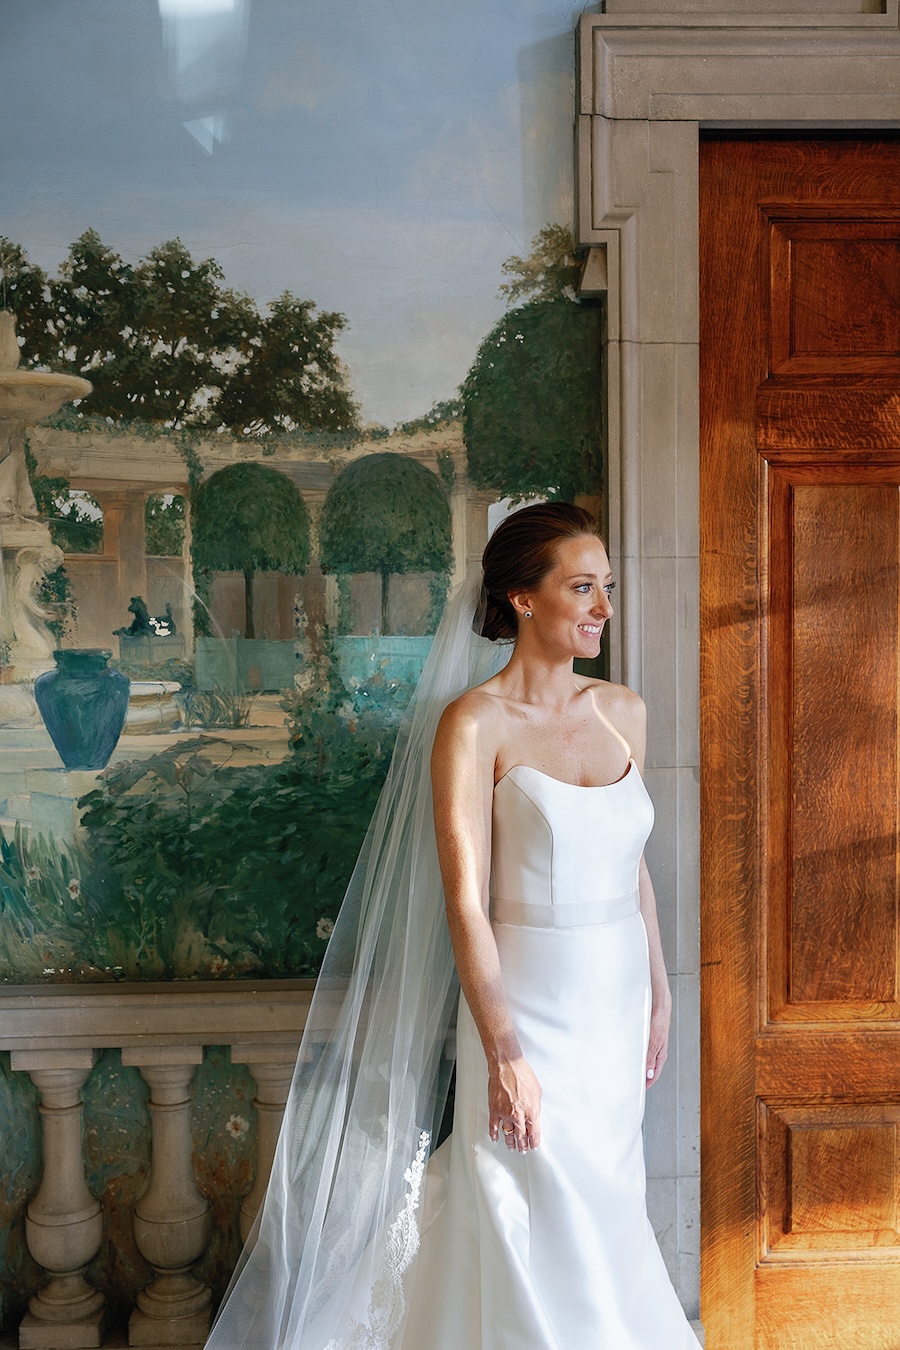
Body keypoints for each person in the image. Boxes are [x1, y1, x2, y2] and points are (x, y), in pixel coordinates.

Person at [206, 502, 699, 1350]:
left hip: (615, 1005)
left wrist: (658, 994)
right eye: (582, 587)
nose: (603, 609)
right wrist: (505, 1052)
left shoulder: (625, 710)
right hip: (526, 1008)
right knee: (516, 1195)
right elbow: (464, 901)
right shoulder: (473, 725)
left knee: (606, 1199)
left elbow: (634, 873)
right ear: (521, 597)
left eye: (607, 588)